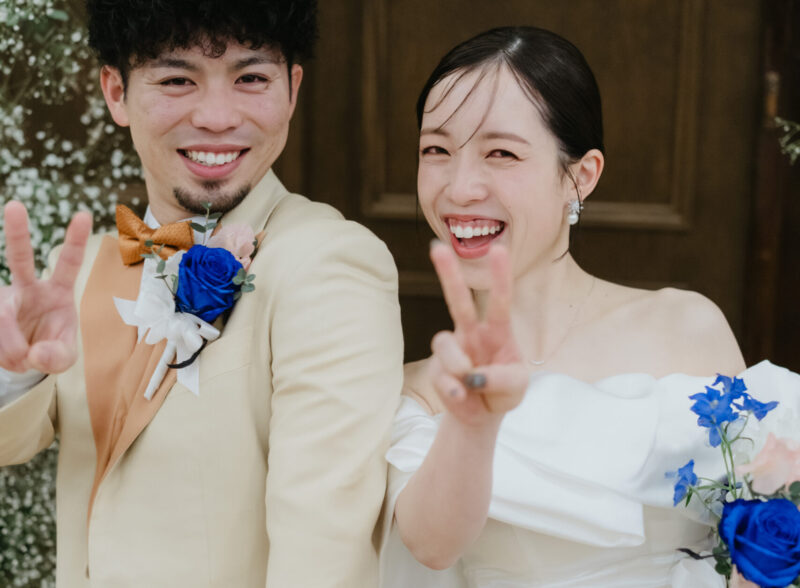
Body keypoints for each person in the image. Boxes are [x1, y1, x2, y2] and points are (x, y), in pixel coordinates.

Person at [0, 1, 403, 586]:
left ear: (292, 89)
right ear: (116, 93)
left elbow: (325, 544)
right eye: (177, 80)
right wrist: (14, 372)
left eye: (251, 78)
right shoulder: (86, 267)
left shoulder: (330, 263)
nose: (217, 117)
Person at [379, 26, 800, 587]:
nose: (459, 188)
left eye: (501, 153)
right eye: (436, 150)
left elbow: (763, 523)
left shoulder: (686, 327)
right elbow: (429, 547)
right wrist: (474, 425)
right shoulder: (422, 388)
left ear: (580, 177)